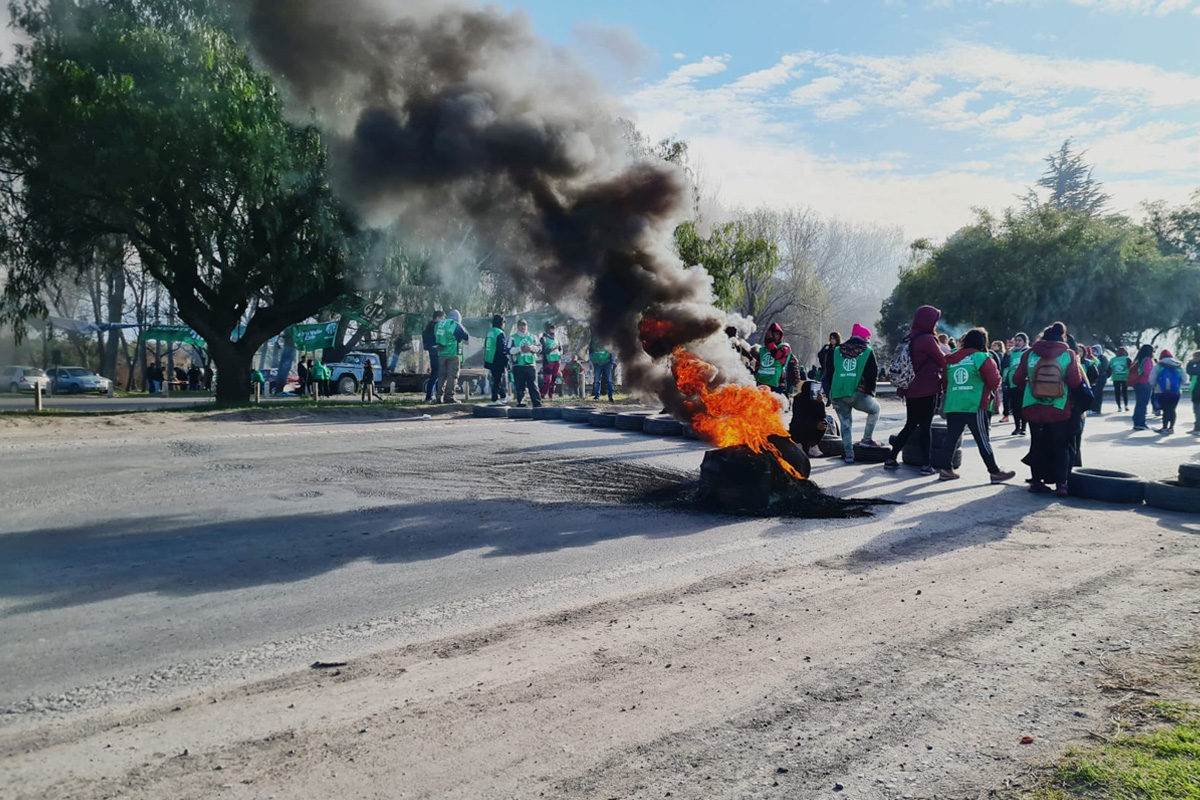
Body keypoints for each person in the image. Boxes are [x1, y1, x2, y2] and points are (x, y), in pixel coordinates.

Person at [935, 328, 1015, 484]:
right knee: (983, 440)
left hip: (953, 403)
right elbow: (994, 381)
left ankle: (945, 470)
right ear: (983, 342)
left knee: (951, 438)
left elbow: (945, 382)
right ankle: (994, 472)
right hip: (974, 404)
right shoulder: (982, 357)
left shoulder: (951, 359)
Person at [1014, 321, 1084, 498]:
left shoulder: (1029, 354)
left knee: (1037, 444)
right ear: (1062, 336)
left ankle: (1036, 482)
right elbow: (1075, 381)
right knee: (1061, 445)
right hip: (1059, 407)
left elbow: (1017, 379)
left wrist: (1031, 388)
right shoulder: (1068, 354)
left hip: (1033, 406)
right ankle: (1061, 484)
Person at [884, 305, 946, 474]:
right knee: (925, 427)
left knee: (911, 424)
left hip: (910, 388)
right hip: (927, 388)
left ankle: (891, 457)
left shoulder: (909, 337)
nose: (936, 325)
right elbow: (942, 361)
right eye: (935, 321)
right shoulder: (927, 339)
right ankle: (926, 465)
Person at [828, 323, 883, 463]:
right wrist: (869, 392)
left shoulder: (836, 350)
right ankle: (866, 439)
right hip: (858, 393)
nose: (869, 340)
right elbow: (872, 373)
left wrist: (830, 391)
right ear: (864, 337)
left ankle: (849, 455)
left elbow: (829, 372)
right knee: (875, 410)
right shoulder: (867, 351)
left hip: (838, 393)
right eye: (868, 337)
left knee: (846, 424)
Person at [756, 322, 801, 397]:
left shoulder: (785, 347)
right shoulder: (762, 350)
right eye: (773, 334)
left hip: (778, 384)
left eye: (778, 334)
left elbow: (777, 355)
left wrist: (770, 342)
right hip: (762, 382)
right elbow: (758, 364)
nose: (776, 337)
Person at [435, 310, 470, 404]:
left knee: (441, 376)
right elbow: (465, 336)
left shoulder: (439, 324)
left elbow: (436, 336)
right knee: (452, 376)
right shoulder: (454, 324)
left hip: (441, 354)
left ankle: (439, 396)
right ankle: (449, 397)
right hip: (452, 354)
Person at [790, 380, 830, 459]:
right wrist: (814, 424)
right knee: (796, 426)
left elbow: (822, 415)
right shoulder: (799, 399)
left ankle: (813, 446)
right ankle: (798, 445)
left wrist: (820, 404)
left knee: (823, 423)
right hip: (800, 428)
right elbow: (798, 418)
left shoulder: (816, 401)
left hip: (813, 428)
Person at [1150, 349, 1184, 435]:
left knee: (1165, 410)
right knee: (1172, 410)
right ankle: (1171, 428)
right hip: (1175, 392)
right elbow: (1184, 380)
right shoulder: (1178, 366)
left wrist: (1155, 386)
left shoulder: (1158, 366)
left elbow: (1152, 379)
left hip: (1161, 392)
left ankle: (1164, 428)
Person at [510, 319, 542, 408]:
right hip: (518, 365)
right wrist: (520, 349)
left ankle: (537, 403)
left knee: (533, 385)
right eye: (520, 325)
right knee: (520, 386)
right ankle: (521, 403)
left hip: (530, 364)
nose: (522, 327)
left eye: (524, 325)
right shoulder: (513, 337)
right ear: (518, 327)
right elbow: (509, 350)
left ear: (527, 326)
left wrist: (531, 348)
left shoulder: (533, 337)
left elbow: (540, 348)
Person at [1129, 344, 1155, 431]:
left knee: (1139, 403)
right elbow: (1148, 372)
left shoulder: (1137, 360)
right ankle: (1141, 423)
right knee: (1143, 404)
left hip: (1137, 383)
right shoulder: (1147, 359)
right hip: (1145, 383)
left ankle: (1136, 421)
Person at [484, 314, 510, 403]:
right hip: (497, 359)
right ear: (501, 323)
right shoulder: (499, 333)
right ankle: (494, 399)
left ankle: (503, 396)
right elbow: (501, 348)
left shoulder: (490, 332)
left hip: (489, 358)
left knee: (497, 378)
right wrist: (506, 359)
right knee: (497, 379)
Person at [422, 310, 444, 403]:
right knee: (436, 374)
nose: (443, 320)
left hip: (432, 351)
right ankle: (430, 397)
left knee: (436, 374)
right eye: (442, 318)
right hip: (436, 352)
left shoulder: (428, 326)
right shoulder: (436, 326)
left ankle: (432, 396)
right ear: (438, 318)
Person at [540, 322, 563, 399]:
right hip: (548, 362)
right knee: (548, 380)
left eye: (553, 328)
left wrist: (560, 353)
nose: (552, 330)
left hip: (557, 361)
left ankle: (551, 395)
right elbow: (540, 351)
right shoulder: (543, 339)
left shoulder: (557, 338)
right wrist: (549, 350)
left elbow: (560, 349)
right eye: (550, 328)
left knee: (554, 379)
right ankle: (542, 395)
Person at [817, 332, 841, 397]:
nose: (832, 340)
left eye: (834, 338)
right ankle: (829, 397)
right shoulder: (827, 347)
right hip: (826, 369)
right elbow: (820, 355)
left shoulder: (840, 348)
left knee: (833, 385)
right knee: (824, 383)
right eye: (831, 338)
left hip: (835, 370)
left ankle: (833, 397)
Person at [1108, 347, 1131, 412]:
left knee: (1117, 392)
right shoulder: (1127, 359)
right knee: (1125, 392)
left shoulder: (1113, 360)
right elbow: (1131, 368)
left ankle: (1119, 407)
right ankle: (1126, 405)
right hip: (1125, 377)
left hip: (1116, 377)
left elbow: (1110, 368)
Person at [1090, 345, 1109, 414]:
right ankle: (1092, 408)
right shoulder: (1091, 358)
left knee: (1098, 393)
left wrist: (1096, 370)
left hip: (1101, 378)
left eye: (1095, 350)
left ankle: (1097, 408)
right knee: (1093, 392)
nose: (1093, 352)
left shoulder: (1103, 358)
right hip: (1094, 378)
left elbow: (1104, 368)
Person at [1187, 351, 1200, 435]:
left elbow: (1192, 371)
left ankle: (1198, 428)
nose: (1193, 359)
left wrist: (1190, 364)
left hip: (1198, 392)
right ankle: (1197, 427)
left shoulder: (1196, 366)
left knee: (1197, 410)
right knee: (1196, 410)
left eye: (1194, 357)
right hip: (1196, 391)